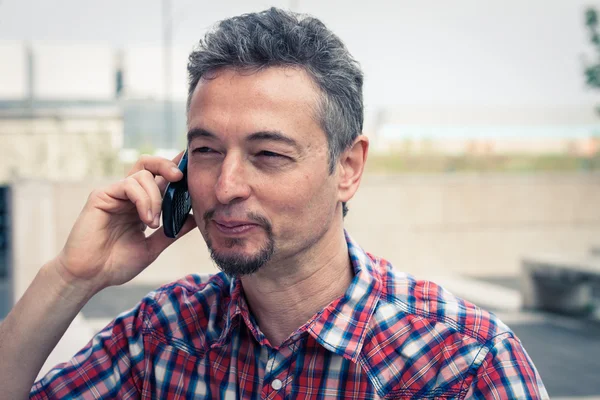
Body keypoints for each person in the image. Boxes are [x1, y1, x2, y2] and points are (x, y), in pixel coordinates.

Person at [0, 7, 548, 399]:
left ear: (348, 168)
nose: (226, 184)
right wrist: (72, 277)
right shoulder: (159, 339)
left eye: (268, 153)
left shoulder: (463, 364)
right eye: (207, 150)